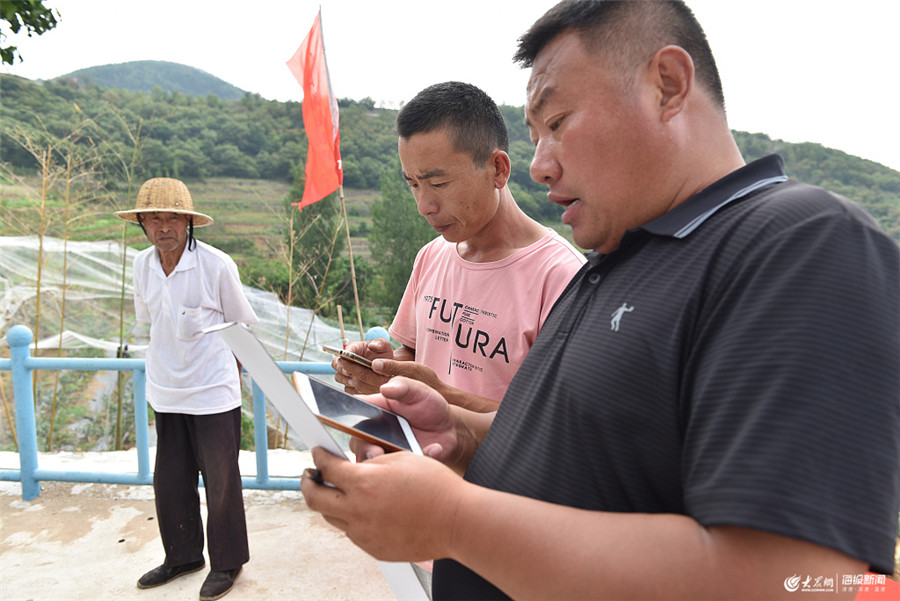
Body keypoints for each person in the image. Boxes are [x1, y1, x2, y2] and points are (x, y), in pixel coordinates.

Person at [301, 1, 900, 600]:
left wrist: (454, 520)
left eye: (557, 122)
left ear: (668, 86)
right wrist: (458, 431)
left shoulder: (798, 243)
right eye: (534, 136)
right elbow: (588, 459)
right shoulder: (616, 260)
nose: (539, 166)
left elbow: (798, 580)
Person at [333, 81, 585, 412]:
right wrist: (384, 369)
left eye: (439, 183)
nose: (424, 205)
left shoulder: (562, 278)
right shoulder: (432, 257)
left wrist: (440, 396)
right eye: (413, 184)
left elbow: (558, 423)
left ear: (498, 169)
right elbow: (415, 354)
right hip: (421, 463)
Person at [115, 177, 258, 601]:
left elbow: (241, 326)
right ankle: (181, 555)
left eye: (173, 217)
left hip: (213, 390)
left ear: (189, 222)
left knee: (221, 480)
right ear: (141, 223)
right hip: (166, 388)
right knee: (171, 478)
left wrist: (232, 377)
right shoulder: (142, 265)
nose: (164, 226)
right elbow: (151, 320)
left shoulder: (216, 265)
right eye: (154, 218)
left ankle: (228, 562)